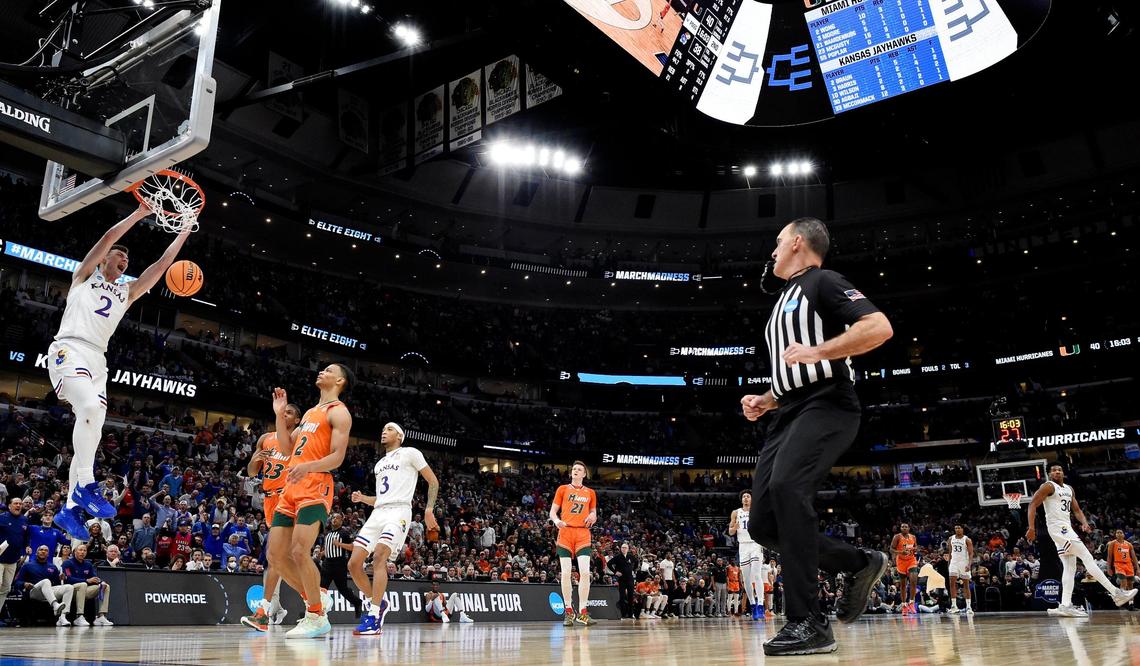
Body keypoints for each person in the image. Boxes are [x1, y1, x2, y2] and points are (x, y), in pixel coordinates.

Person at [740, 218, 892, 656]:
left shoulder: (823, 281)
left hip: (828, 402)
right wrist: (767, 399)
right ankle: (859, 563)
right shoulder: (783, 298)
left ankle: (808, 622)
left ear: (797, 243)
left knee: (789, 487)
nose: (772, 252)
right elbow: (792, 373)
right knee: (763, 524)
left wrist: (820, 351)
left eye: (777, 242)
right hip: (788, 411)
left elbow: (878, 327)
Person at [47, 202, 193, 540]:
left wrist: (184, 232)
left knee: (92, 429)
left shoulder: (127, 292)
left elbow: (161, 265)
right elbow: (108, 237)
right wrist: (140, 214)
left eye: (127, 258)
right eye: (118, 255)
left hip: (98, 360)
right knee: (89, 409)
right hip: (70, 348)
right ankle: (86, 484)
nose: (124, 260)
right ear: (104, 259)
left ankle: (70, 510)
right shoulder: (84, 277)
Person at [255, 366, 353, 639]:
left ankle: (315, 614)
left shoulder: (338, 412)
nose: (322, 371)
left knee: (299, 551)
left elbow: (337, 457)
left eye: (328, 370)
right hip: (292, 486)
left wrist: (308, 466)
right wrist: (279, 414)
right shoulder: (310, 413)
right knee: (275, 556)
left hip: (315, 484)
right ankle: (316, 600)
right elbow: (287, 448)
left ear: (340, 380)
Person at [346, 422, 439, 636]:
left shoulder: (410, 453)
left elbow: (433, 481)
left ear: (400, 436)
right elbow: (381, 498)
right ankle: (377, 602)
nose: (384, 431)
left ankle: (374, 616)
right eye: (383, 429)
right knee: (354, 563)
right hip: (378, 512)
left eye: (389, 429)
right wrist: (363, 498)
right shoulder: (380, 464)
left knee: (379, 557)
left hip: (399, 512)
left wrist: (428, 509)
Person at [1025, 464, 1137, 616]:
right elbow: (1032, 504)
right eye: (1054, 470)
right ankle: (1116, 593)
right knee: (1087, 557)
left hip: (1065, 527)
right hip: (1058, 528)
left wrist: (1084, 522)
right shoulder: (1048, 486)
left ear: (1063, 472)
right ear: (1049, 474)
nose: (1057, 472)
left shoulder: (1069, 489)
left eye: (1059, 470)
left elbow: (1077, 510)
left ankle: (1065, 605)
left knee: (1069, 567)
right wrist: (1032, 528)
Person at [242, 401, 303, 628]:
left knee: (276, 555)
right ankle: (308, 602)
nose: (284, 414)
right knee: (280, 558)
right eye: (282, 411)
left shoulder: (297, 437)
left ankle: (266, 610)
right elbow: (251, 472)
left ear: (297, 420)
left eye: (289, 413)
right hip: (268, 499)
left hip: (287, 497)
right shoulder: (265, 439)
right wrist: (255, 460)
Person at [549, 461, 598, 627]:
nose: (576, 471)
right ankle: (569, 611)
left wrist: (593, 516)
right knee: (565, 573)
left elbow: (593, 512)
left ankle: (583, 612)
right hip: (565, 532)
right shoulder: (562, 489)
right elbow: (552, 511)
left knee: (585, 573)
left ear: (584, 474)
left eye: (579, 469)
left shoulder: (590, 492)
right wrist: (556, 521)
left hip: (583, 534)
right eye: (574, 469)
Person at [15, 544, 74, 626]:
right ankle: (55, 605)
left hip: (48, 593)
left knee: (69, 587)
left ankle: (62, 617)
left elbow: (56, 584)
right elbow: (17, 582)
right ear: (36, 553)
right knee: (46, 581)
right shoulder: (27, 565)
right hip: (34, 592)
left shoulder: (53, 567)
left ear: (48, 554)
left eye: (46, 550)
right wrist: (24, 584)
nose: (43, 552)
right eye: (41, 550)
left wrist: (61, 578)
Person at [729, 490, 765, 620]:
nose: (745, 498)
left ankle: (760, 605)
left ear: (751, 499)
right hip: (743, 546)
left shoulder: (757, 511)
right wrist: (735, 527)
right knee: (746, 579)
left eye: (748, 496)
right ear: (741, 499)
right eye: (744, 496)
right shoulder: (736, 512)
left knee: (756, 574)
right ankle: (753, 605)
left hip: (755, 544)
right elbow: (730, 532)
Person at [319, 513, 363, 619]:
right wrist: (323, 553)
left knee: (343, 589)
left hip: (339, 564)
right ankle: (318, 612)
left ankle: (357, 602)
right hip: (327, 564)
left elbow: (352, 547)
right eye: (333, 518)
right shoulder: (328, 533)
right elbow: (330, 548)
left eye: (337, 518)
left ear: (341, 521)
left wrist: (339, 544)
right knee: (322, 588)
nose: (334, 519)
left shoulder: (344, 533)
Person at [62, 543, 113, 626]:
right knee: (83, 584)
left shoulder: (88, 564)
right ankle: (79, 616)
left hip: (84, 590)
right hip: (71, 591)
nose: (82, 552)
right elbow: (68, 579)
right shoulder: (67, 563)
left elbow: (94, 577)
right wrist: (86, 580)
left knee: (105, 586)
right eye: (80, 550)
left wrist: (101, 582)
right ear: (75, 552)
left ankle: (101, 617)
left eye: (84, 550)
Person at [0, 497, 29, 621]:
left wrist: (26, 547)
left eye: (20, 504)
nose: (18, 505)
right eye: (15, 503)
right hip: (0, 558)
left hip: (13, 560)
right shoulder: (2, 518)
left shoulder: (24, 520)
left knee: (5, 589)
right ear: (9, 506)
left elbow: (25, 537)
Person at [891, 523, 920, 615]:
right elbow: (891, 549)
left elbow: (916, 547)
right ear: (900, 528)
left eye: (906, 527)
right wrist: (900, 552)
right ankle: (904, 605)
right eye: (902, 527)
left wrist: (915, 549)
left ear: (909, 528)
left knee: (913, 581)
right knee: (903, 585)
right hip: (901, 561)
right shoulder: (897, 537)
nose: (904, 528)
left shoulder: (913, 537)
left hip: (911, 560)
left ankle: (911, 602)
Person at [946, 525, 974, 615]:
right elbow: (950, 552)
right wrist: (949, 564)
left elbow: (971, 553)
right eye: (956, 528)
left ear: (962, 529)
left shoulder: (967, 540)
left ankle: (968, 607)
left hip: (964, 563)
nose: (957, 529)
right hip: (954, 563)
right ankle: (954, 606)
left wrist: (969, 564)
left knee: (966, 585)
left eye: (959, 528)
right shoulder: (951, 538)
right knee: (952, 584)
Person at [1107, 529, 1137, 610]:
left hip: (1129, 565)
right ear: (1115, 535)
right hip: (1118, 564)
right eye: (1117, 532)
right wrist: (1108, 568)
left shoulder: (1129, 544)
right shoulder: (1112, 543)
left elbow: (1134, 557)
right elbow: (1109, 557)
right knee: (1123, 582)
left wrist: (1138, 569)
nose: (1119, 534)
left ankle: (1131, 604)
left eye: (1121, 532)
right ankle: (1121, 600)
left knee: (1130, 585)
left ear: (1124, 535)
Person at [609, 542, 637, 619]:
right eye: (622, 548)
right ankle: (623, 614)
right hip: (622, 579)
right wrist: (615, 572)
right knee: (622, 597)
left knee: (631, 596)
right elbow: (609, 564)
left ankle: (631, 614)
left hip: (630, 579)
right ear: (620, 549)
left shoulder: (630, 556)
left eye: (625, 548)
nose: (623, 549)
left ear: (628, 549)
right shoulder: (617, 557)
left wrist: (634, 569)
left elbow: (637, 562)